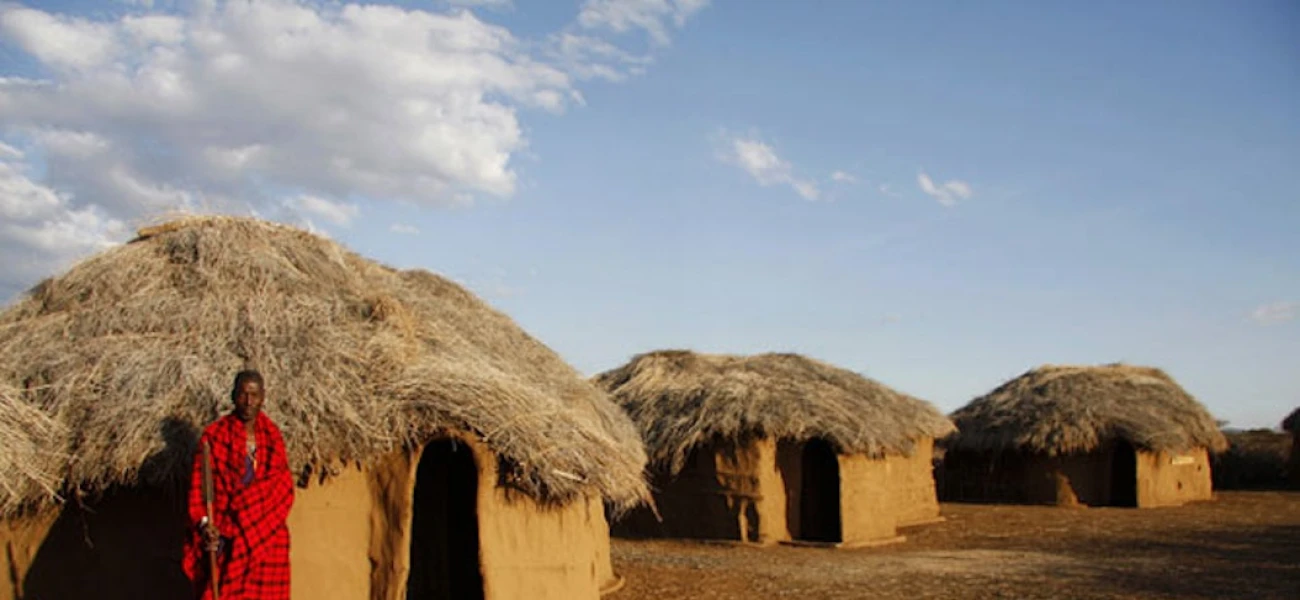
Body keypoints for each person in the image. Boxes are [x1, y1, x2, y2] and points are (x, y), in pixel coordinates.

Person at [183, 370, 294, 599]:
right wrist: (206, 525)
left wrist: (257, 525)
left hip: (266, 535)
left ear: (263, 397)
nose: (249, 401)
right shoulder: (214, 437)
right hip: (227, 532)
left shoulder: (273, 438)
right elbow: (199, 493)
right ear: (233, 396)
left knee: (278, 546)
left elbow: (283, 492)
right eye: (243, 394)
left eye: (254, 395)